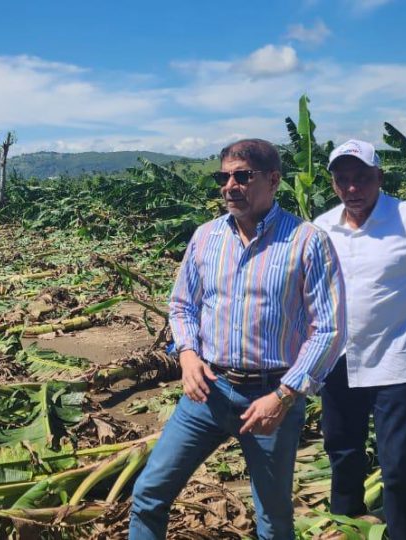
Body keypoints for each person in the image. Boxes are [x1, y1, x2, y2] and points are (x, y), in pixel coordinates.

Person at [129, 139, 346, 540]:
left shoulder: (307, 240)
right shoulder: (206, 237)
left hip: (271, 398)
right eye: (223, 176)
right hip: (209, 391)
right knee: (149, 493)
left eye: (243, 176)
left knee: (273, 520)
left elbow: (329, 328)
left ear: (274, 179)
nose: (231, 185)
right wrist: (188, 356)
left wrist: (284, 395)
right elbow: (182, 306)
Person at [313, 140, 406, 539]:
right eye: (343, 180)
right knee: (342, 452)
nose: (352, 188)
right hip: (338, 359)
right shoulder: (323, 226)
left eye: (361, 178)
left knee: (398, 465)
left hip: (396, 361)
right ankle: (348, 520)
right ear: (334, 184)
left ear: (379, 177)